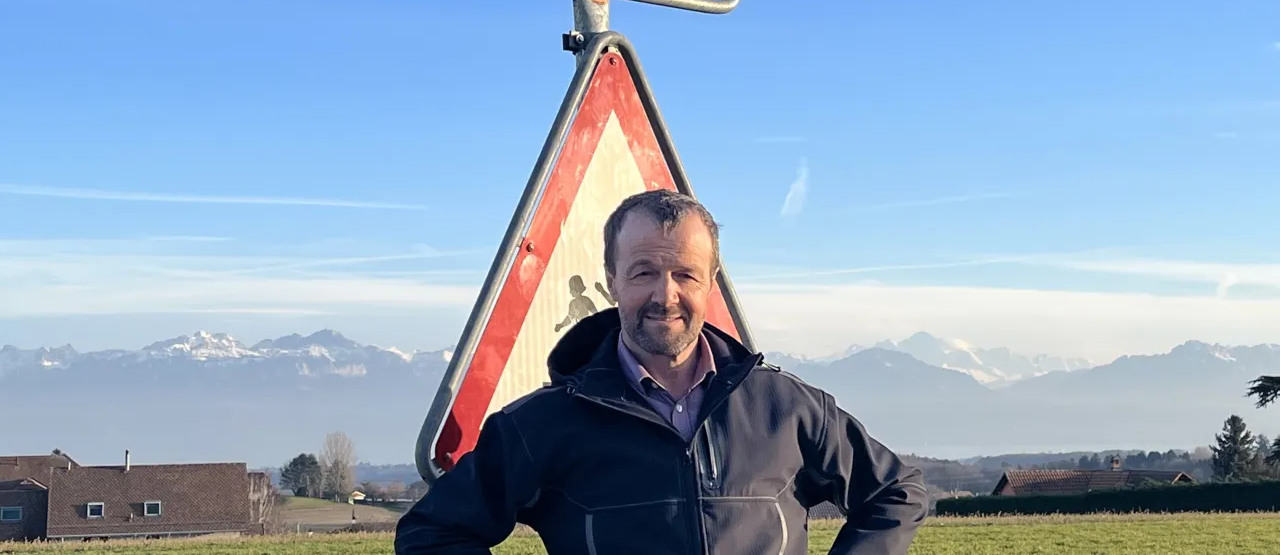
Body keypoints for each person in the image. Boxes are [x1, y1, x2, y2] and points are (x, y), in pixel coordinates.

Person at [396, 189, 928, 555]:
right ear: (611, 281)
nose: (665, 295)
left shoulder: (784, 407)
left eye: (685, 274)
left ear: (710, 283)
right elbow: (432, 532)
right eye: (643, 272)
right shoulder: (540, 425)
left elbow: (896, 491)